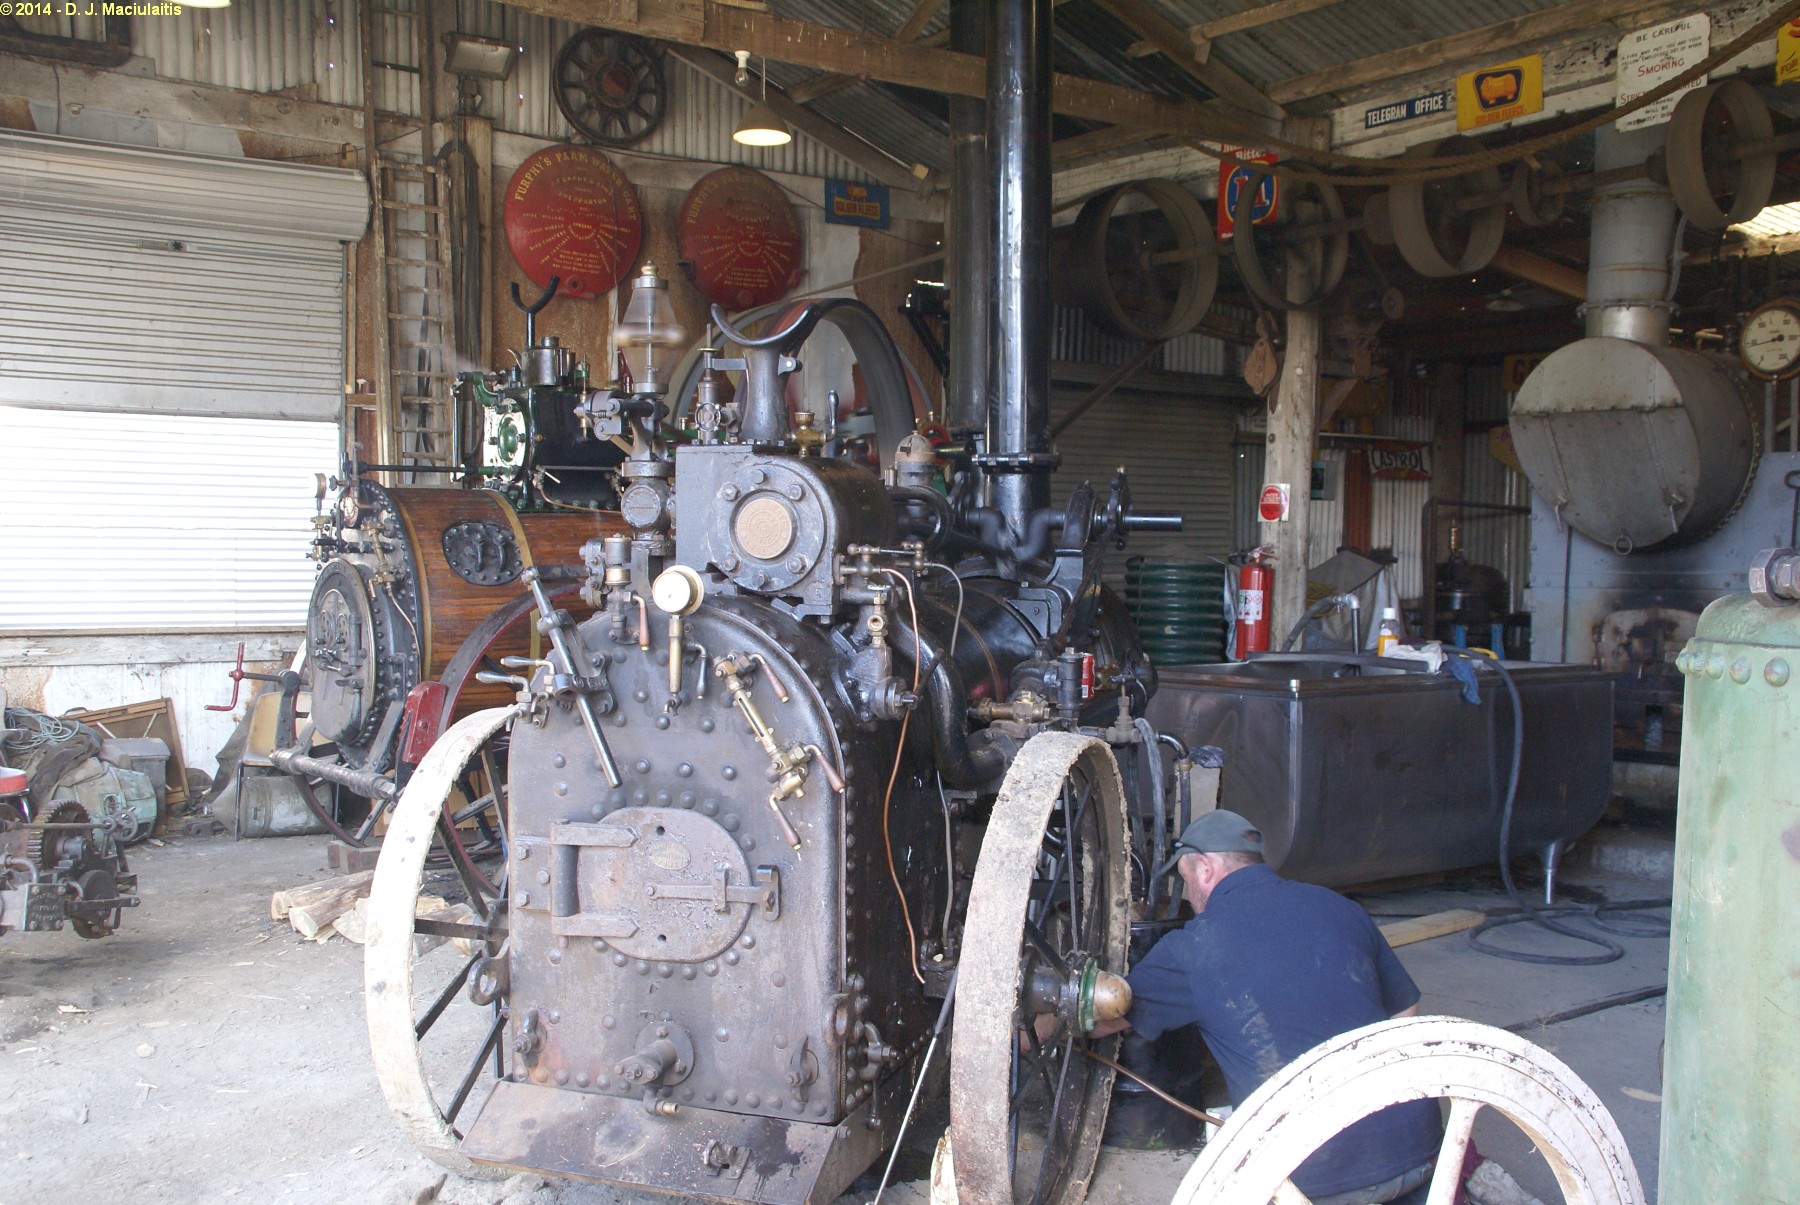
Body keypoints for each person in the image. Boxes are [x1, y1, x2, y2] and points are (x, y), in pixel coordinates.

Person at [1094, 810, 1443, 1205]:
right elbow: (1406, 1011)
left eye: (1187, 880)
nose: (1188, 895)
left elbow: (1103, 1017)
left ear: (1205, 869)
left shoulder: (1192, 947)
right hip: (1422, 1154)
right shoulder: (1341, 907)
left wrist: (1036, 1026)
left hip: (1315, 1178)